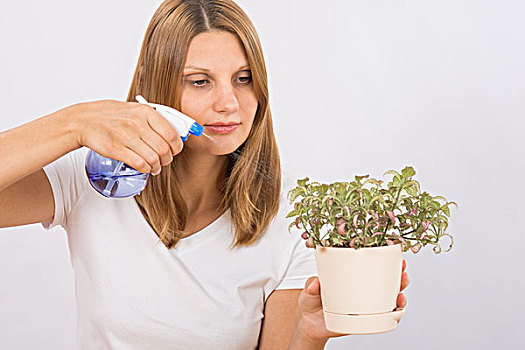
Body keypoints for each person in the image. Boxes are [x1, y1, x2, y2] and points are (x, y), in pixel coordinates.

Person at [0, 0, 409, 349]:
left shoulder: (292, 221)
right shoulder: (92, 177)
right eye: (200, 82)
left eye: (243, 79)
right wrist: (72, 124)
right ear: (152, 83)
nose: (228, 102)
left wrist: (308, 335)